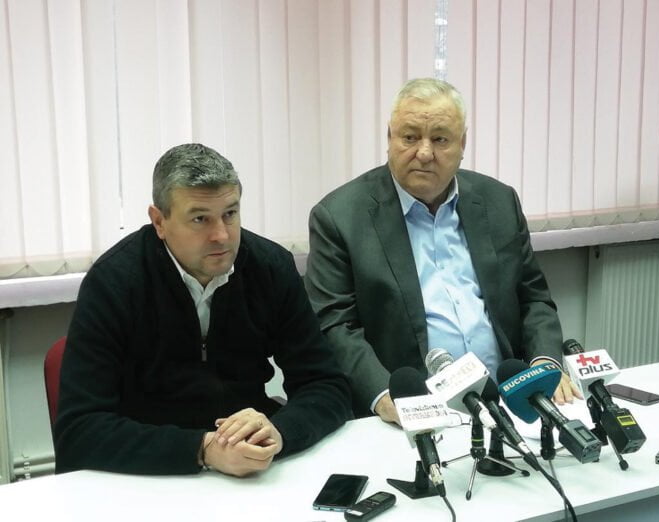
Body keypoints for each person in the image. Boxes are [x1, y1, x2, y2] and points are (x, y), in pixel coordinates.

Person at [54, 143, 352, 476]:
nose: (221, 236)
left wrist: (279, 432)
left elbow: (326, 386)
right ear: (159, 221)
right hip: (149, 471)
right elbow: (79, 432)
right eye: (200, 219)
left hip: (250, 470)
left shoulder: (270, 267)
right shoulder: (114, 282)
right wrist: (203, 448)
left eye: (230, 214)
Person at [304, 78, 579, 424]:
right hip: (413, 410)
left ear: (462, 143)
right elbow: (334, 324)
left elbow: (533, 297)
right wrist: (385, 396)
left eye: (440, 139)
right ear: (389, 138)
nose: (424, 153)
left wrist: (545, 362)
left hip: (507, 400)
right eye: (409, 137)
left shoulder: (498, 201)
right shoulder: (340, 217)